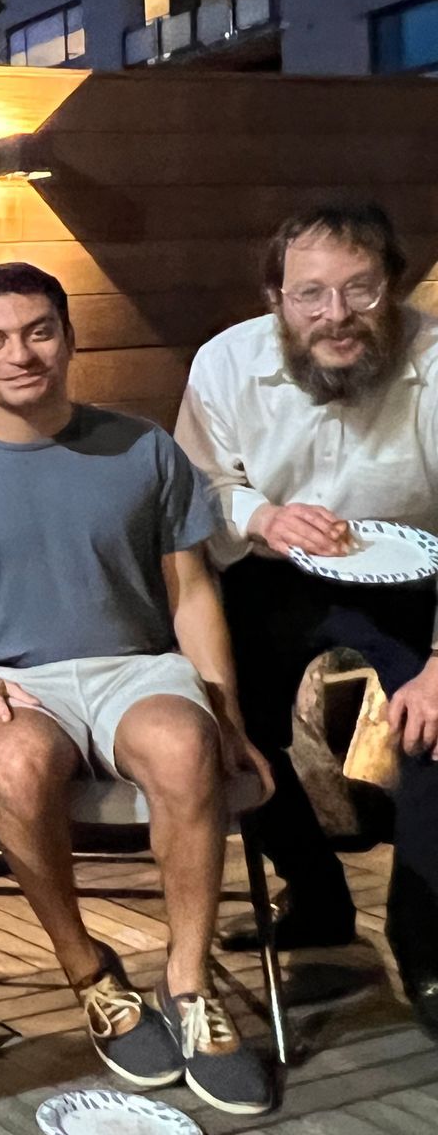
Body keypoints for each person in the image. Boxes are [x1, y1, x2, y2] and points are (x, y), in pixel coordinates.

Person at [0, 262, 276, 1116]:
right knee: (17, 766)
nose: (20, 353)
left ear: (69, 337)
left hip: (136, 666)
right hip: (11, 681)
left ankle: (190, 986)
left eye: (38, 331)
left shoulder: (143, 448)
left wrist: (226, 713)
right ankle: (89, 972)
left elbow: (192, 593)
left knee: (183, 743)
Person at [174, 203, 438, 1026]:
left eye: (360, 291)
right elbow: (196, 488)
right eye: (311, 294)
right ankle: (317, 896)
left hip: (418, 577)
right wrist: (260, 514)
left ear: (392, 288)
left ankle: (427, 947)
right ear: (275, 298)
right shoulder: (223, 364)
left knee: (435, 732)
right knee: (227, 724)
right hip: (270, 571)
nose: (336, 317)